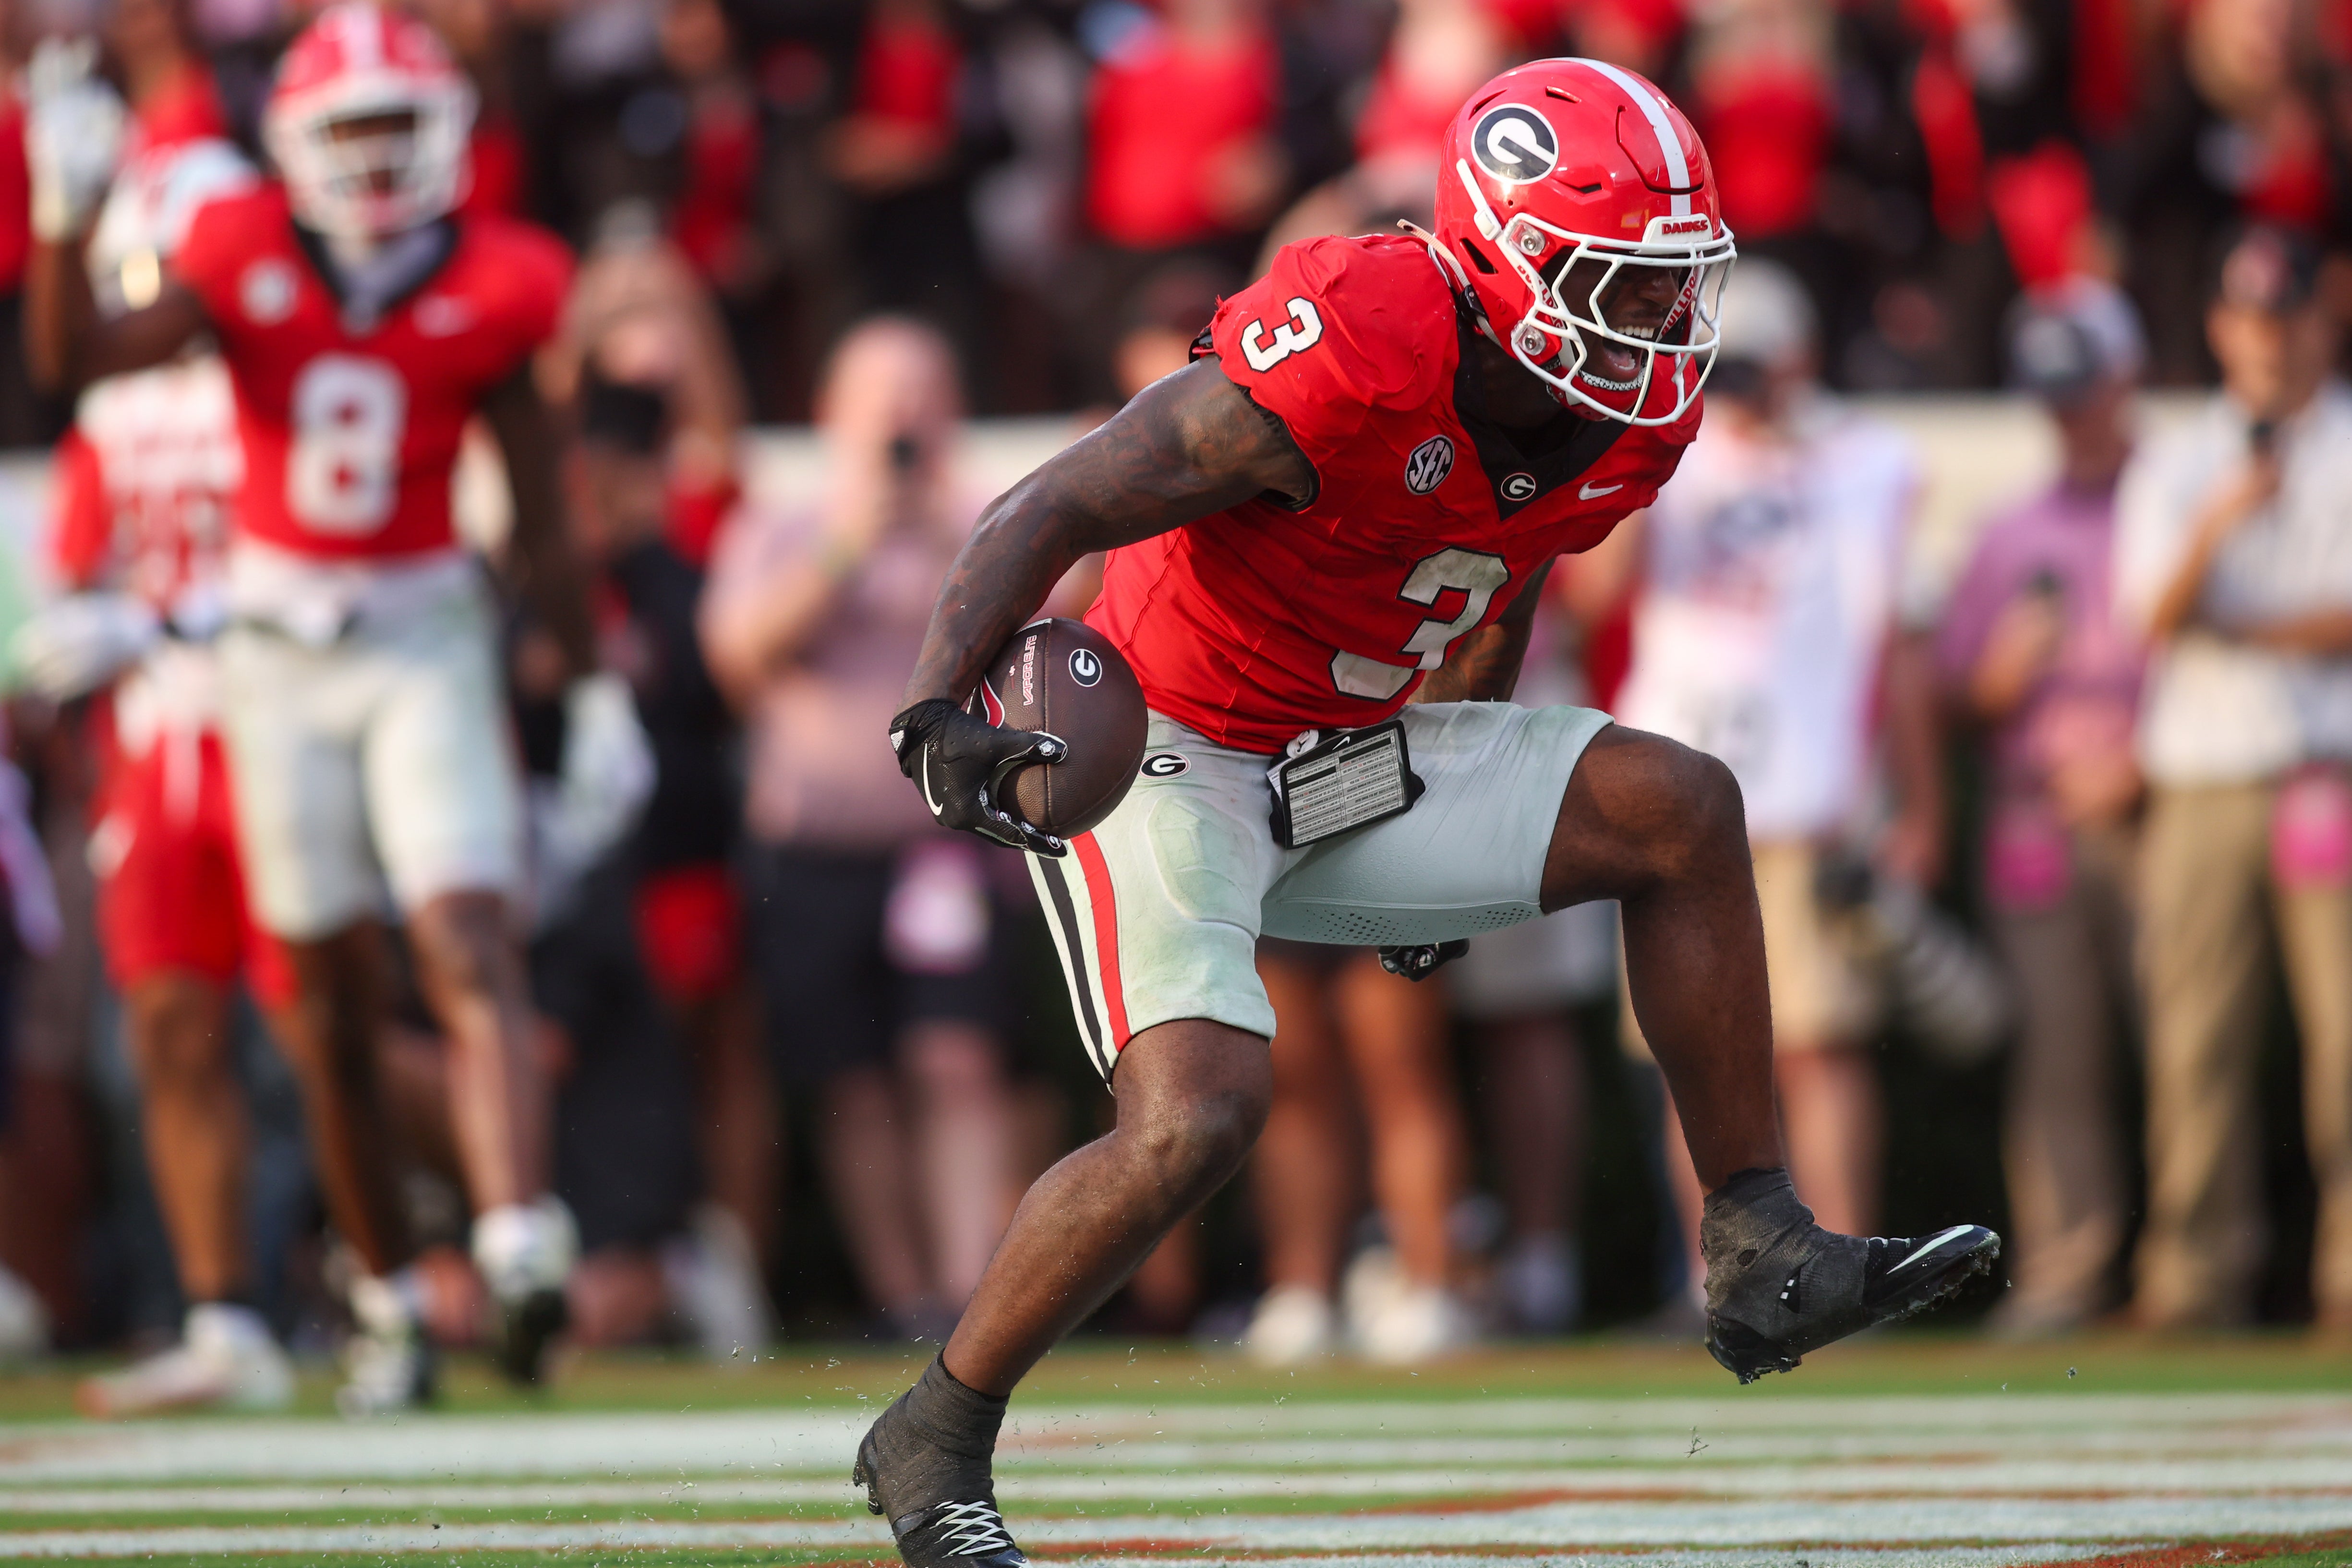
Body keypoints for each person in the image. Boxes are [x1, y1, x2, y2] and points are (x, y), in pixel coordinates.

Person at [865, 60, 1999, 1568]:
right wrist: (938, 703)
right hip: (1168, 744)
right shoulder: (1353, 339)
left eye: (1674, 283)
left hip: (1352, 744)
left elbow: (1499, 564)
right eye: (1622, 281)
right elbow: (1058, 498)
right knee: (1197, 1114)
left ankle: (1755, 1238)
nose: (1661, 323)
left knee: (1679, 807)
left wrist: (1441, 807)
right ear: (1504, 259)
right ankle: (935, 1427)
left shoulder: (1626, 417)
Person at [24, 4, 595, 1409]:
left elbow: (537, 497)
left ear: (451, 131)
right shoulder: (244, 254)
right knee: (326, 1006)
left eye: (400, 125)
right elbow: (75, 361)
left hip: (422, 632)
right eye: (352, 130)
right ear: (293, 145)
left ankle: (520, 1230)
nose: (379, 156)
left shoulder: (507, 273)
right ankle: (390, 1294)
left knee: (464, 925)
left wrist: (582, 679)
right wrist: (57, 218)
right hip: (276, 649)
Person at [9, 0, 297, 1417]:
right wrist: (76, 638)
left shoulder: (273, 384)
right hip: (153, 742)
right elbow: (66, 576)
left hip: (273, 708)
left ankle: (445, 1247)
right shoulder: (106, 419)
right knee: (169, 1026)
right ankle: (226, 1309)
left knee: (328, 1020)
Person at [1610, 258, 1941, 1254]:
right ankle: (1720, 1283)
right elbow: (1592, 598)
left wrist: (1919, 809)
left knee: (1817, 1051)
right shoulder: (1665, 446)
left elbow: (1900, 644)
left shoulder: (1866, 460)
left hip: (1800, 795)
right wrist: (1632, 458)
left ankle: (1842, 1268)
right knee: (1690, 1056)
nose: (1737, 390)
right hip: (1673, 792)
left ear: (1799, 360)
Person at [700, 317, 1022, 1341]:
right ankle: (904, 1297)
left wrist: (940, 541)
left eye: (921, 391)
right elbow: (741, 657)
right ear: (834, 417)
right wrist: (853, 540)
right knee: (851, 1080)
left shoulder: (987, 525)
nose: (903, 416)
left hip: (942, 841)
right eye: (882, 396)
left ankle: (975, 1289)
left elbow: (1053, 639)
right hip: (817, 846)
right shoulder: (784, 527)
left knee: (955, 1060)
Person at [2113, 226, 2352, 1330]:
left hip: (2322, 768)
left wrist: (2234, 623)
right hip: (2203, 772)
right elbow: (2151, 617)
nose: (2267, 338)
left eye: (2286, 314)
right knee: (2192, 1034)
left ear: (2321, 317)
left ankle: (2341, 1273)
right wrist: (2217, 525)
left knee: (2341, 1035)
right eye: (2249, 317)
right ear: (2219, 326)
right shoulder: (2176, 461)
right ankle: (2193, 1273)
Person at [1935, 279, 2147, 1337]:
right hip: (2033, 808)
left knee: (2190, 1047)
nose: (2069, 413)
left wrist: (2140, 758)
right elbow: (1953, 696)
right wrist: (2000, 678)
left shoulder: (2169, 505)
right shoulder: (2006, 532)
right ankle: (2069, 1268)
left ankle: (2200, 1262)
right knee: (2056, 1056)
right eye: (2053, 395)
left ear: (2126, 382)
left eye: (2085, 390)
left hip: (2160, 798)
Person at [1242, 939, 1475, 1364]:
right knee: (1295, 1080)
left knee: (1401, 1068)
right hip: (1280, 884)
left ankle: (1430, 1290)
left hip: (1388, 880)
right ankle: (1302, 1294)